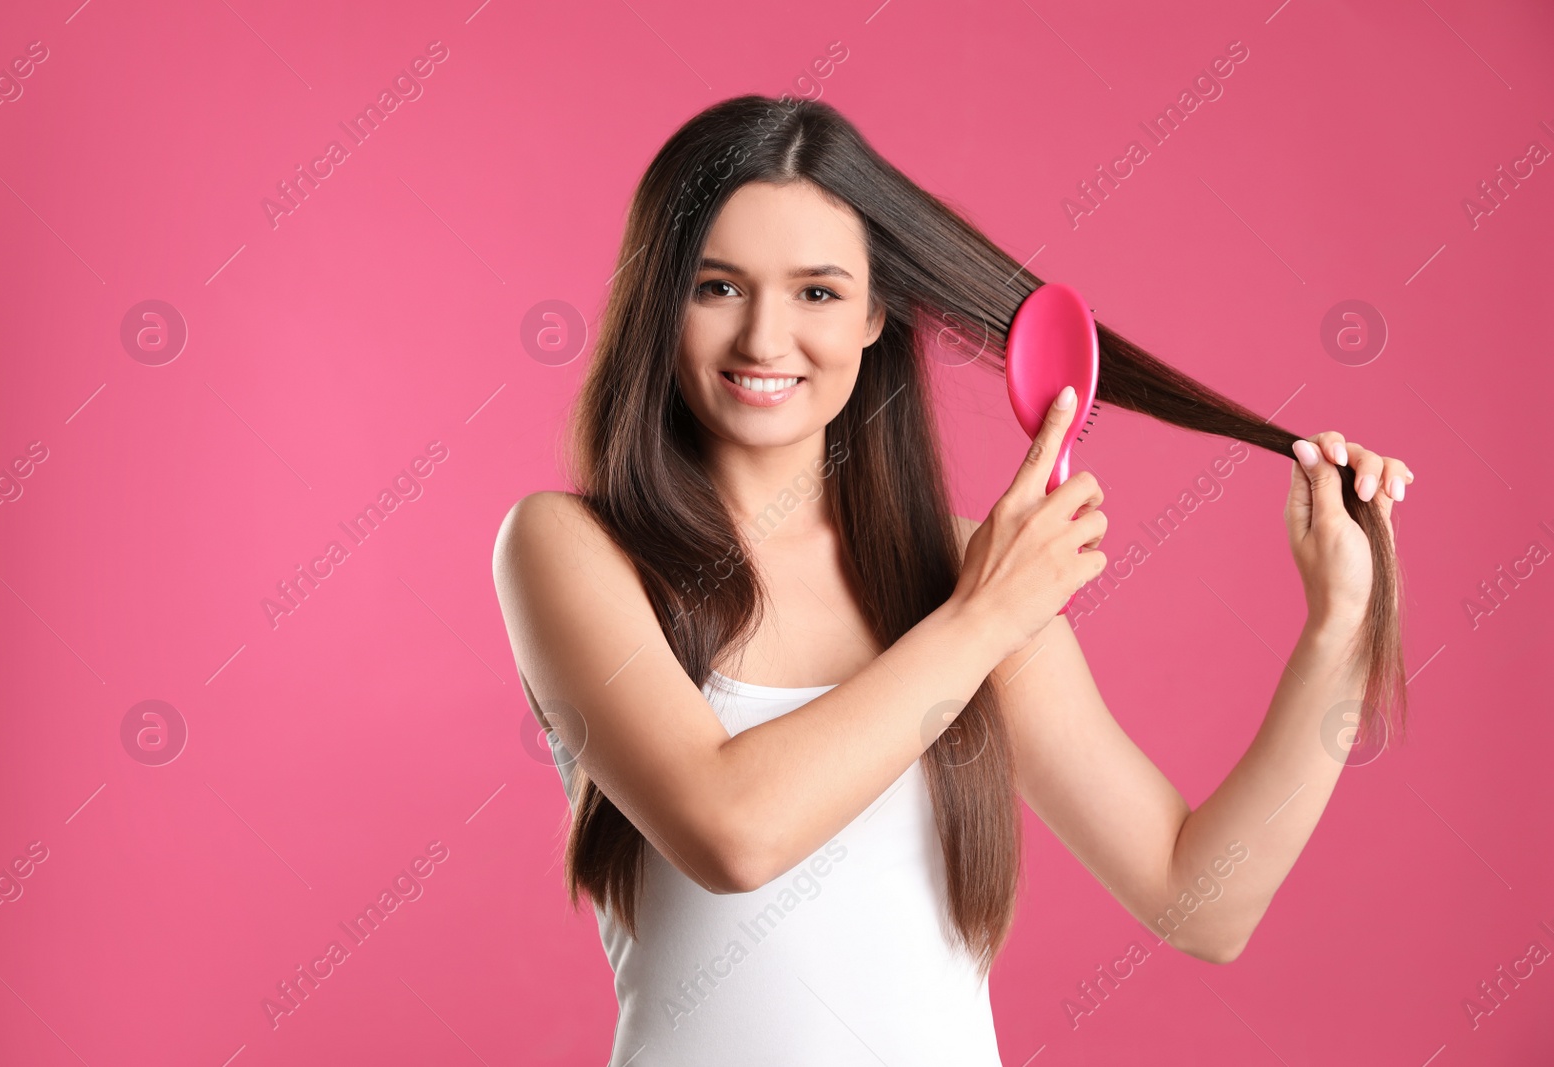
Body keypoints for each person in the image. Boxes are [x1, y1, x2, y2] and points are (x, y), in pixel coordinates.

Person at [492, 94, 1414, 1065]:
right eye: (716, 286)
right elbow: (734, 833)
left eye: (815, 292)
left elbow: (1202, 903)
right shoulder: (570, 548)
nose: (764, 339)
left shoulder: (970, 578)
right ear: (658, 299)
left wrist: (1337, 628)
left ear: (874, 312)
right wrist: (983, 618)